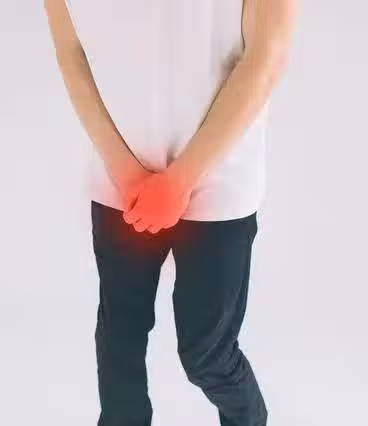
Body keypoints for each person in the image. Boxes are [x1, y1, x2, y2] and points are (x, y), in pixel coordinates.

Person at [44, 0, 297, 425]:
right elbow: (72, 52)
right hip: (123, 180)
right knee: (119, 339)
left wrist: (182, 179)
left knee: (208, 353)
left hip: (220, 180)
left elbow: (266, 55)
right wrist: (124, 170)